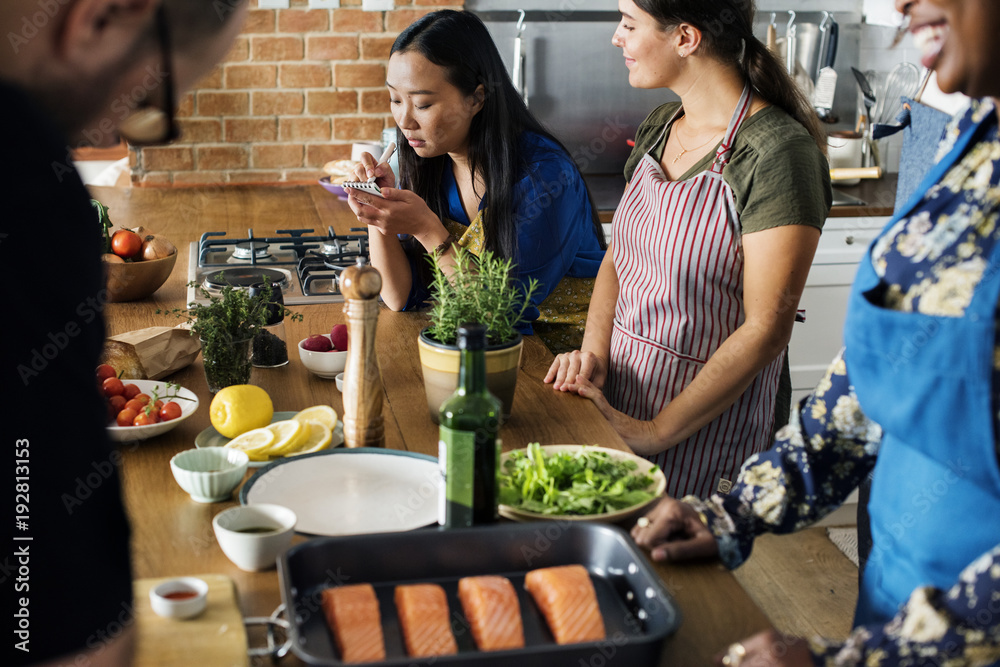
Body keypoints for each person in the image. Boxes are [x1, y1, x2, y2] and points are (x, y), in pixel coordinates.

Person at [630, 0, 1000, 664]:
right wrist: (734, 510)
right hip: (891, 600)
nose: (900, 3)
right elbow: (868, 384)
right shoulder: (970, 144)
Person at [0, 1, 246, 665]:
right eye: (151, 97)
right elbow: (67, 616)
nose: (118, 126)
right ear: (105, 14)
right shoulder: (21, 175)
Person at [544, 0, 831, 498]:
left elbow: (767, 328)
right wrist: (592, 359)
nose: (617, 38)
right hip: (619, 401)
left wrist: (656, 431)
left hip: (707, 429)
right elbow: (619, 259)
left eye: (629, 24)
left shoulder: (778, 154)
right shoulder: (661, 124)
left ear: (686, 38)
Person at [345, 10, 606, 354]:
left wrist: (428, 230)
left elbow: (498, 317)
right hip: (483, 353)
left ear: (476, 99)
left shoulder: (544, 177)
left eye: (422, 103)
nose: (404, 120)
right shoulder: (429, 162)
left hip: (565, 362)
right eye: (395, 99)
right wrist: (377, 212)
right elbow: (400, 297)